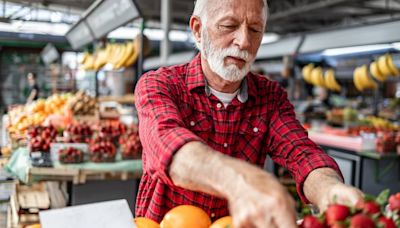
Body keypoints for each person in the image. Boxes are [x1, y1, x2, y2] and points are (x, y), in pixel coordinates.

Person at [134, 0, 363, 227]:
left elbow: (301, 153)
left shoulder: (269, 96)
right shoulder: (160, 84)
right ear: (197, 29)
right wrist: (241, 181)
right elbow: (167, 144)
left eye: (255, 30)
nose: (244, 42)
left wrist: (328, 188)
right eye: (229, 26)